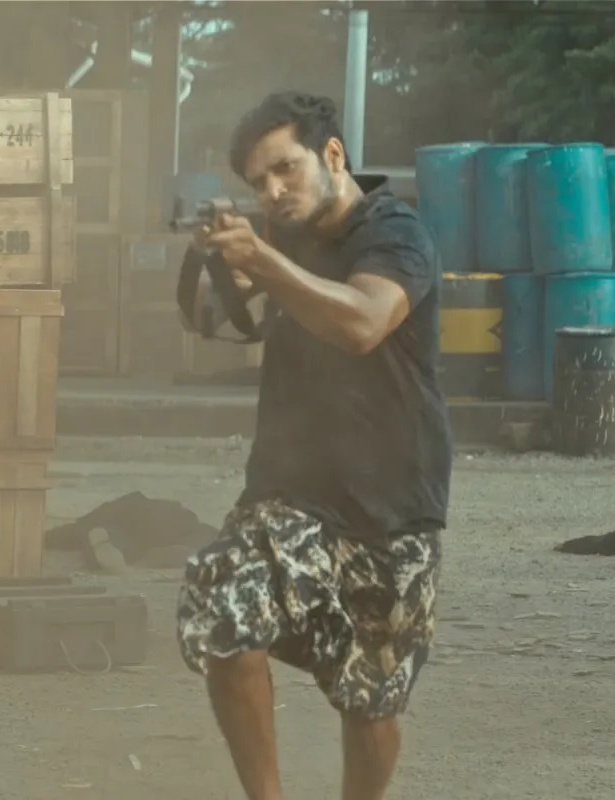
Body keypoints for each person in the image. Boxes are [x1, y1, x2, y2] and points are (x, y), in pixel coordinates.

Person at [174, 90, 450, 800]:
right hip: (289, 491)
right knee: (225, 610)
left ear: (332, 154)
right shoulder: (282, 235)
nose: (273, 191)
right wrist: (216, 259)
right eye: (258, 182)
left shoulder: (396, 234)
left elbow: (362, 324)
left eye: (284, 169)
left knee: (372, 702)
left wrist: (262, 260)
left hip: (392, 508)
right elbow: (211, 318)